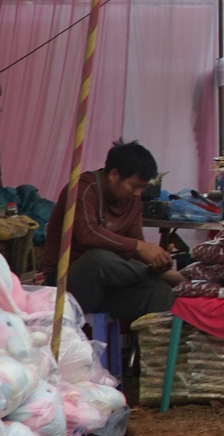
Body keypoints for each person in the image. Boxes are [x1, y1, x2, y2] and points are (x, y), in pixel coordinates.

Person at [41, 140, 180, 327]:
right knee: (98, 259)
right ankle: (156, 275)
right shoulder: (83, 188)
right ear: (114, 175)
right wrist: (140, 248)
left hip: (106, 289)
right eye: (134, 186)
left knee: (160, 292)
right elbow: (87, 233)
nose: (138, 193)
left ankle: (157, 355)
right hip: (66, 287)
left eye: (142, 188)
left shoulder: (133, 201)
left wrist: (155, 263)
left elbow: (135, 247)